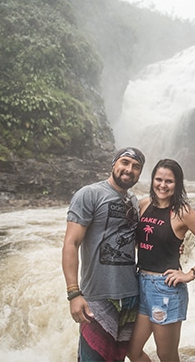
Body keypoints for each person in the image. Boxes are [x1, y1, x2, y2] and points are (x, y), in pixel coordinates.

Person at [127, 159, 195, 362]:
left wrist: (191, 273)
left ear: (177, 184)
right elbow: (140, 241)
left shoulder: (183, 212)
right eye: (158, 179)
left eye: (169, 181)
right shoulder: (144, 205)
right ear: (152, 180)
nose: (162, 185)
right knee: (132, 351)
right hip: (141, 283)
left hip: (165, 289)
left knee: (166, 355)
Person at [62, 147, 146, 362]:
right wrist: (73, 293)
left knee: (117, 357)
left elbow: (132, 241)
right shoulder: (89, 194)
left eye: (136, 167)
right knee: (93, 357)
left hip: (130, 296)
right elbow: (71, 243)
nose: (129, 169)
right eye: (125, 162)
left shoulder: (134, 202)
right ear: (114, 164)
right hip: (97, 297)